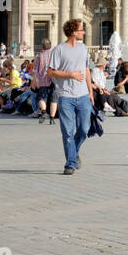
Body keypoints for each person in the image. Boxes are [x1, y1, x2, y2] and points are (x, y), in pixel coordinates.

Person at [47, 19, 94, 175]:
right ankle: (70, 163)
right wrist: (70, 74)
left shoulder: (83, 48)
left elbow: (86, 70)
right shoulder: (59, 50)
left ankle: (74, 151)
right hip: (66, 96)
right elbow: (51, 72)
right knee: (68, 131)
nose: (84, 32)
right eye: (81, 30)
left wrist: (91, 91)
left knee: (84, 129)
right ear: (74, 32)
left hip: (83, 95)